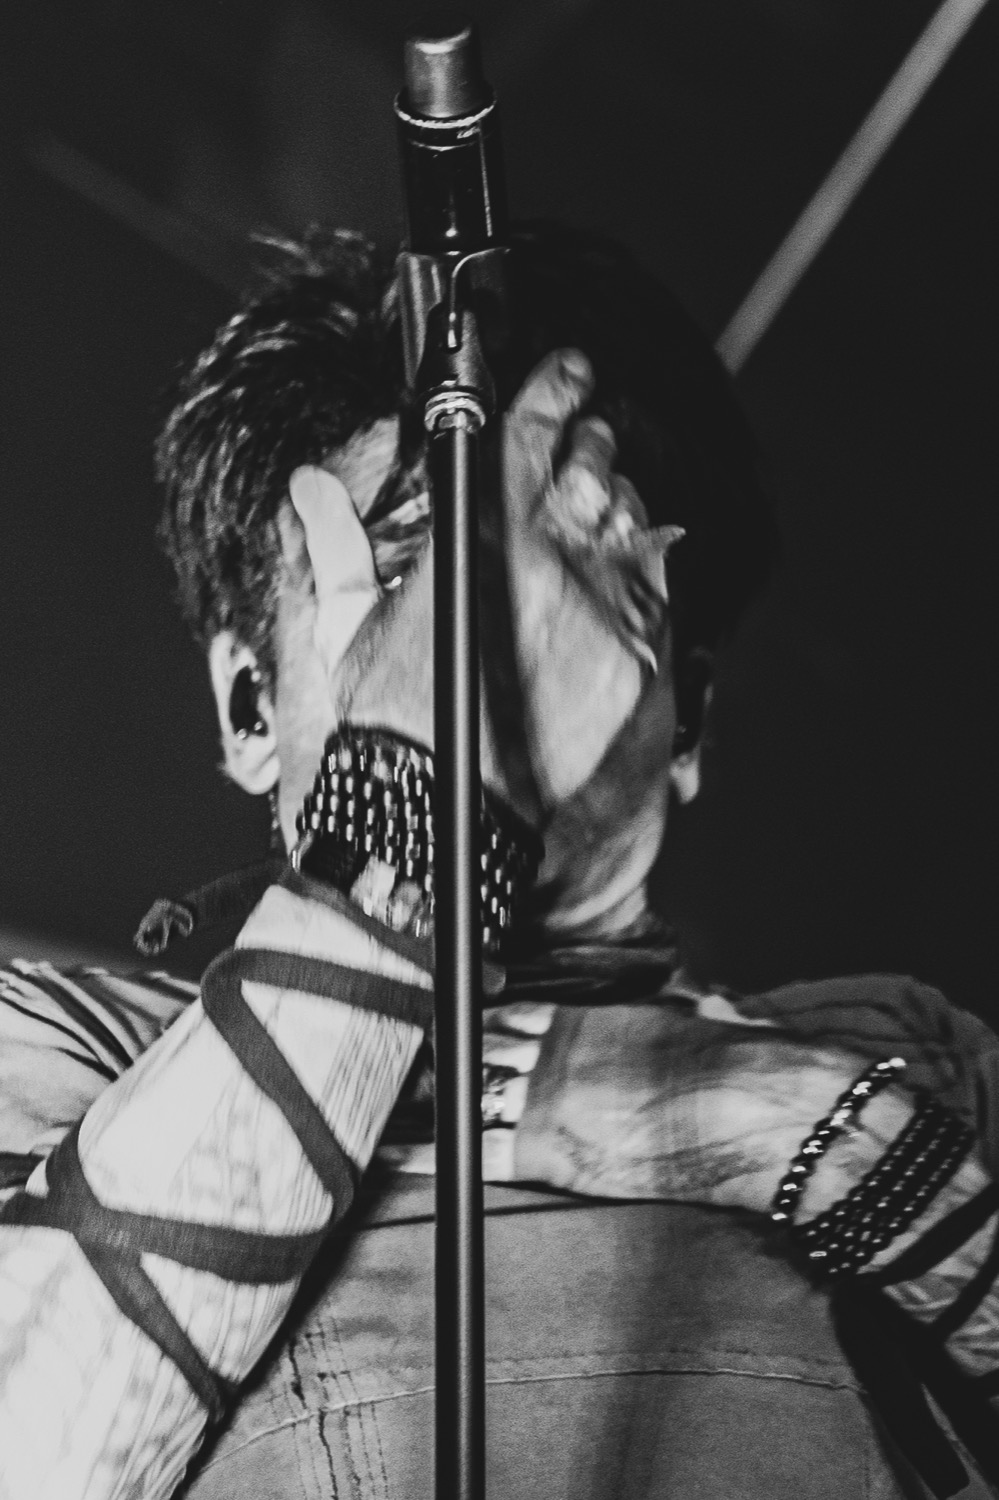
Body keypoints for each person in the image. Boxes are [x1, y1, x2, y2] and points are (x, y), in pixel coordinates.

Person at [2, 223, 999, 1500]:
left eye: (577, 571)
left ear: (686, 717)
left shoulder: (905, 1052)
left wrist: (796, 1130)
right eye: (419, 572)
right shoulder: (74, 1047)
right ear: (252, 705)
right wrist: (406, 821)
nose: (499, 634)